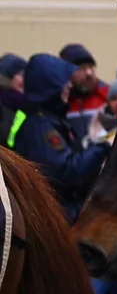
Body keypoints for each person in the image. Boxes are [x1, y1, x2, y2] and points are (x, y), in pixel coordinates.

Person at [12, 54, 111, 223]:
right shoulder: (40, 126)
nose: (69, 86)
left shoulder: (49, 118)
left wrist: (88, 142)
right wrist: (102, 146)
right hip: (55, 217)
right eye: (65, 81)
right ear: (50, 85)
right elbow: (65, 171)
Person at [59, 43, 110, 141]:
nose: (89, 73)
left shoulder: (108, 96)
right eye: (81, 68)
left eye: (91, 67)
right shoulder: (60, 103)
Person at [0, 54, 27, 148]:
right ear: (7, 78)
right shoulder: (3, 104)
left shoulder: (24, 103)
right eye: (20, 75)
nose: (25, 80)